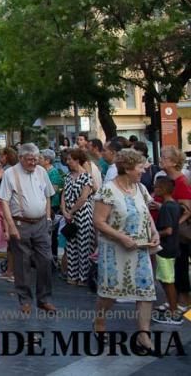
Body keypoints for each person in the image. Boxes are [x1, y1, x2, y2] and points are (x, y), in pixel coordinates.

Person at [91, 149, 159, 350]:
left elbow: (146, 214)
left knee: (145, 291)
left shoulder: (140, 188)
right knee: (110, 292)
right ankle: (100, 322)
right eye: (140, 167)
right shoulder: (108, 190)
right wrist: (121, 237)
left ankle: (144, 335)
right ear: (128, 168)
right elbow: (99, 221)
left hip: (140, 248)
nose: (143, 171)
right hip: (115, 249)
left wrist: (154, 232)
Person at [0, 143, 56, 314]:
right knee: (22, 264)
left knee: (46, 260)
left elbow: (47, 195)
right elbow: (4, 202)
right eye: (30, 159)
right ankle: (25, 300)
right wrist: (10, 226)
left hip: (40, 223)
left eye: (36, 159)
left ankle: (44, 299)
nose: (33, 163)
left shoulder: (41, 171)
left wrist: (46, 218)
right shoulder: (10, 173)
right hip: (20, 223)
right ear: (21, 158)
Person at [153, 146, 191, 311]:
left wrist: (173, 226)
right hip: (170, 232)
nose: (161, 159)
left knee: (179, 265)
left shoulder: (181, 182)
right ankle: (174, 300)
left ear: (174, 162)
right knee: (172, 268)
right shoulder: (166, 179)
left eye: (164, 157)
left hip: (176, 235)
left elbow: (187, 209)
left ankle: (183, 300)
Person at [152, 176, 183, 325]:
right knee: (167, 279)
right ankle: (173, 307)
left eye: (157, 187)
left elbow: (168, 230)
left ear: (163, 189)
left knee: (167, 280)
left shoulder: (166, 207)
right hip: (173, 247)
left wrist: (155, 234)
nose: (155, 189)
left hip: (166, 248)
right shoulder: (175, 205)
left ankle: (173, 312)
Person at [62, 149, 95, 286]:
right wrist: (64, 211)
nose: (68, 162)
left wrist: (71, 211)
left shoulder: (86, 177)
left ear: (77, 160)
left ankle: (83, 277)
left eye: (70, 159)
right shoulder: (68, 176)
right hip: (69, 213)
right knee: (71, 245)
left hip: (82, 213)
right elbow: (63, 195)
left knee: (84, 245)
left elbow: (83, 198)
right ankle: (72, 275)